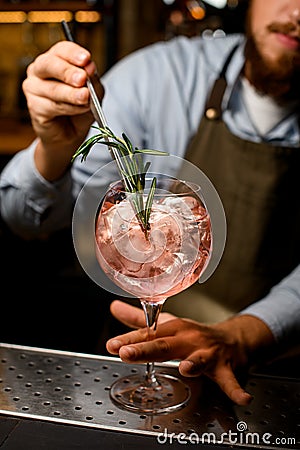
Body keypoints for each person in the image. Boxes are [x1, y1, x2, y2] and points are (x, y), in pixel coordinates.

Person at [1, 0, 300, 405]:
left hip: (274, 371)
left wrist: (245, 334)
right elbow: (25, 219)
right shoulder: (159, 76)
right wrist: (55, 151)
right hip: (126, 354)